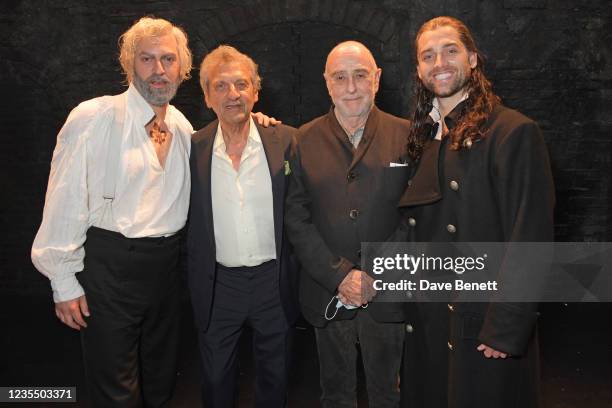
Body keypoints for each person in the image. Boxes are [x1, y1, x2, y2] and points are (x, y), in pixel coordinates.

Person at [31, 17, 194, 406]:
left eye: (168, 59)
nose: (159, 70)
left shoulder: (183, 128)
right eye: (147, 59)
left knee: (160, 382)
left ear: (182, 68)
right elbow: (65, 198)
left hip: (166, 271)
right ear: (129, 64)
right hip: (109, 269)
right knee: (116, 391)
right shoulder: (93, 117)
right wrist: (63, 281)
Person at [397, 16, 555, 408]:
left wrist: (506, 328)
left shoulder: (512, 131)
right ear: (419, 69)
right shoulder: (422, 137)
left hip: (481, 321)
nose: (440, 63)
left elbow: (530, 236)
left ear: (472, 58)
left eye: (450, 51)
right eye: (428, 55)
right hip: (430, 319)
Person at [285, 41, 411, 408]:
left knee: (389, 393)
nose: (351, 87)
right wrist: (341, 276)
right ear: (327, 83)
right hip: (328, 290)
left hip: (387, 290)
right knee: (335, 393)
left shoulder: (408, 135)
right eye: (341, 77)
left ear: (377, 79)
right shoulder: (302, 140)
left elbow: (414, 214)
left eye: (360, 76)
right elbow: (296, 218)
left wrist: (373, 272)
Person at [188, 45, 299, 408]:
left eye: (241, 84)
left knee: (275, 377)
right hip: (219, 284)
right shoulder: (191, 149)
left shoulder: (287, 140)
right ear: (206, 96)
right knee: (216, 380)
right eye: (221, 86)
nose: (232, 94)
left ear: (255, 91)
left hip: (274, 280)